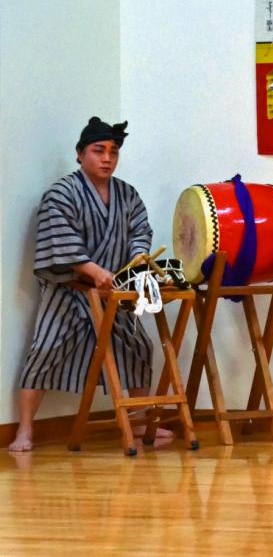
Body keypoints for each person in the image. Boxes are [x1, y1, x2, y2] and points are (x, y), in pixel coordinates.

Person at [9, 117, 170, 451]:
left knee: (139, 347)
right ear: (80, 155)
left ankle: (140, 425)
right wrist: (96, 273)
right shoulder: (61, 194)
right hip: (71, 290)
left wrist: (136, 265)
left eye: (113, 151)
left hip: (115, 291)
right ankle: (24, 430)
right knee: (46, 350)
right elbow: (60, 241)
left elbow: (140, 232)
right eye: (99, 150)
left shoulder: (127, 194)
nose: (107, 158)